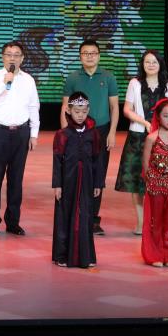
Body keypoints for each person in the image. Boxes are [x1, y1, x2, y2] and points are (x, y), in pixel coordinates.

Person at [0, 40, 40, 236]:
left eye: (16, 55)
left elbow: (34, 107)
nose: (12, 58)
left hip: (21, 133)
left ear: (22, 58)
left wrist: (34, 134)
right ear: (2, 57)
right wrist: (4, 83)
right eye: (8, 54)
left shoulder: (29, 80)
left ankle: (13, 222)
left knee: (16, 180)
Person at [61, 39, 118, 235]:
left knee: (97, 175)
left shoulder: (108, 77)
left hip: (101, 131)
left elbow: (114, 107)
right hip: (77, 131)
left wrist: (112, 132)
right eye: (85, 53)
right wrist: (65, 134)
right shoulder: (73, 77)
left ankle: (93, 219)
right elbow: (65, 107)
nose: (89, 56)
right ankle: (75, 216)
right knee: (77, 173)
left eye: (93, 53)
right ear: (80, 57)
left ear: (99, 56)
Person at [115, 50, 168, 235]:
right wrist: (145, 123)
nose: (150, 65)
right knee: (137, 181)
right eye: (147, 62)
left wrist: (160, 126)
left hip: (161, 138)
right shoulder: (135, 83)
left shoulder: (167, 86)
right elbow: (127, 110)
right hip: (138, 136)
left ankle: (158, 221)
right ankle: (141, 222)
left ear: (160, 64)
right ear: (142, 64)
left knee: (160, 180)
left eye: (154, 62)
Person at [52, 92, 103, 268]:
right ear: (69, 110)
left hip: (87, 180)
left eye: (83, 111)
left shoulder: (93, 134)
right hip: (68, 181)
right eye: (76, 111)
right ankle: (62, 255)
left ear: (88, 110)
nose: (80, 115)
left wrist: (98, 183)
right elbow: (57, 161)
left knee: (85, 215)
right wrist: (57, 184)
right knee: (65, 214)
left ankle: (86, 256)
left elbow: (97, 159)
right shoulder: (62, 134)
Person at [141, 98, 168, 267]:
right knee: (155, 221)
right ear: (158, 117)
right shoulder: (152, 138)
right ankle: (155, 255)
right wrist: (153, 180)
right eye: (166, 116)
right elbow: (145, 163)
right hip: (155, 185)